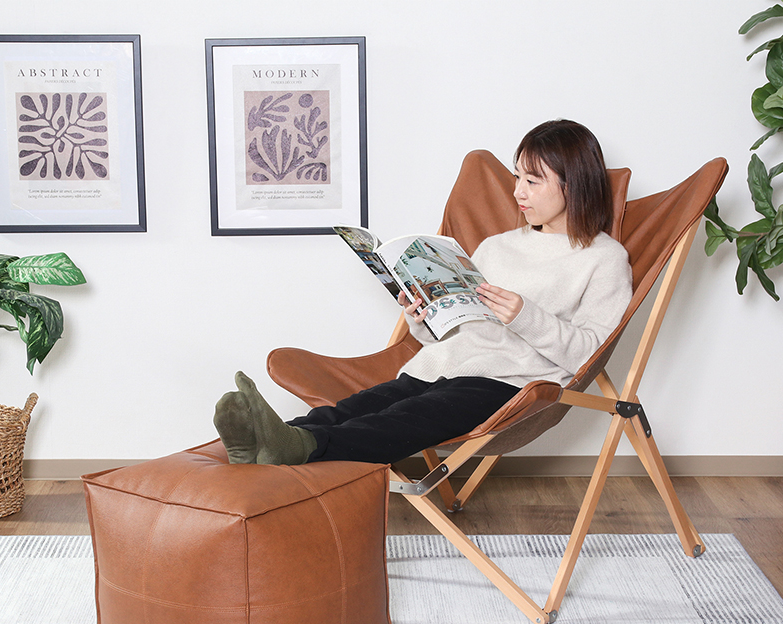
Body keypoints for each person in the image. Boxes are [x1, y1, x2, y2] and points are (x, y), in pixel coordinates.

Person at [214, 119, 633, 466]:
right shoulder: (496, 246)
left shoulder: (604, 259)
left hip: (511, 384)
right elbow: (458, 329)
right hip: (442, 364)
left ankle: (299, 448)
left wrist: (526, 315)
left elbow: (591, 355)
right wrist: (423, 317)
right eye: (517, 177)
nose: (518, 192)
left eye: (533, 181)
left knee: (404, 419)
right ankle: (265, 440)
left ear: (573, 184)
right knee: (359, 407)